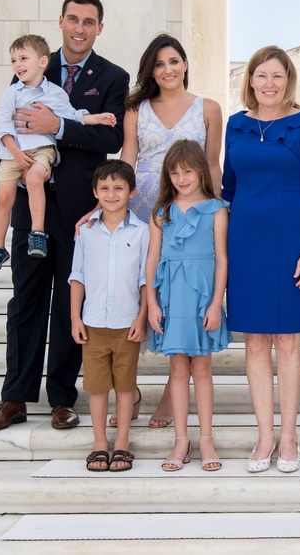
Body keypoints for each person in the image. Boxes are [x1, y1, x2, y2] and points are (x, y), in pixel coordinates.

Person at [0, 0, 129, 432]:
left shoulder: (113, 77)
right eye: (73, 19)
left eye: (89, 22)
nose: (80, 28)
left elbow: (109, 141)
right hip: (31, 205)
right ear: (60, 21)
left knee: (69, 305)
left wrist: (57, 126)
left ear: (99, 28)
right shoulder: (28, 69)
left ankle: (62, 398)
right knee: (24, 300)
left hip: (82, 212)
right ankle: (14, 398)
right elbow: (10, 124)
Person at [102, 33, 224, 429]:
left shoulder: (208, 108)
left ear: (185, 64)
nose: (167, 69)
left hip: (190, 214)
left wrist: (218, 209)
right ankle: (130, 388)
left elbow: (211, 163)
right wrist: (107, 206)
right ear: (150, 71)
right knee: (140, 299)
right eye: (159, 64)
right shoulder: (136, 109)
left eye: (174, 61)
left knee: (182, 304)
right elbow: (128, 158)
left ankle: (174, 401)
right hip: (144, 212)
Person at [222, 46, 300, 473]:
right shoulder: (235, 126)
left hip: (291, 244)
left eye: (278, 76)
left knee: (287, 340)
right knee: (254, 342)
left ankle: (289, 436)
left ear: (289, 81)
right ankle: (264, 435)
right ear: (250, 80)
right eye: (262, 75)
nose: (269, 84)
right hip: (245, 243)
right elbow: (229, 188)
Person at [0, 35, 116, 274]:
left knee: (34, 178)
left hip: (42, 151)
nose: (18, 65)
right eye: (13, 60)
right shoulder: (11, 93)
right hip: (12, 152)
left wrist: (97, 118)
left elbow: (72, 116)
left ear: (43, 61)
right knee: (3, 198)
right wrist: (16, 152)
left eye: (23, 58)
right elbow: (2, 127)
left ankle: (38, 233)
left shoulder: (54, 93)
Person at [146, 140, 231, 472]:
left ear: (201, 171)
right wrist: (152, 302)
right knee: (178, 369)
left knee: (202, 369)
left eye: (188, 171)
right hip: (170, 296)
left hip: (201, 299)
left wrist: (215, 303)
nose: (181, 178)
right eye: (175, 172)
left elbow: (222, 259)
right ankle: (181, 441)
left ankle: (206, 438)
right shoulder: (160, 213)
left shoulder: (217, 209)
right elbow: (153, 259)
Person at [69, 160, 148, 472]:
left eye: (118, 188)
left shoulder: (142, 232)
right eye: (105, 188)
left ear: (132, 192)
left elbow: (145, 278)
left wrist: (141, 317)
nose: (111, 194)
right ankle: (99, 443)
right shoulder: (86, 232)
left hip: (127, 322)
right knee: (97, 387)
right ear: (95, 192)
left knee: (126, 386)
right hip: (93, 324)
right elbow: (78, 276)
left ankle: (122, 443)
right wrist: (75, 318)